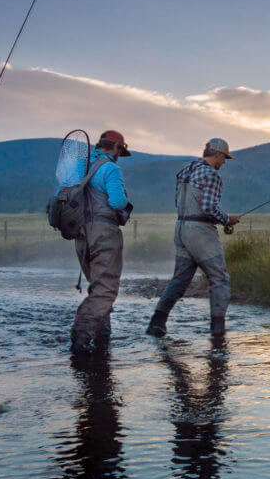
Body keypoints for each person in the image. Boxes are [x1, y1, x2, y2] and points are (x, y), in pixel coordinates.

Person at [146, 138, 239, 339]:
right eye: (224, 158)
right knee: (220, 279)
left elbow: (178, 201)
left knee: (180, 280)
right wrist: (227, 219)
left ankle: (156, 323)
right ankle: (218, 332)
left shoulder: (186, 170)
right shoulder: (211, 175)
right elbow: (208, 208)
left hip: (180, 228)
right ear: (218, 154)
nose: (224, 163)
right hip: (200, 232)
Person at [71, 130, 133, 356]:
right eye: (120, 151)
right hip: (104, 233)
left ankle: (102, 343)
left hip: (81, 235)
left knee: (99, 288)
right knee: (105, 292)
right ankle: (79, 340)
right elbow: (117, 201)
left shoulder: (80, 168)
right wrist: (126, 201)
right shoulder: (111, 168)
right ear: (116, 147)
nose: (119, 155)